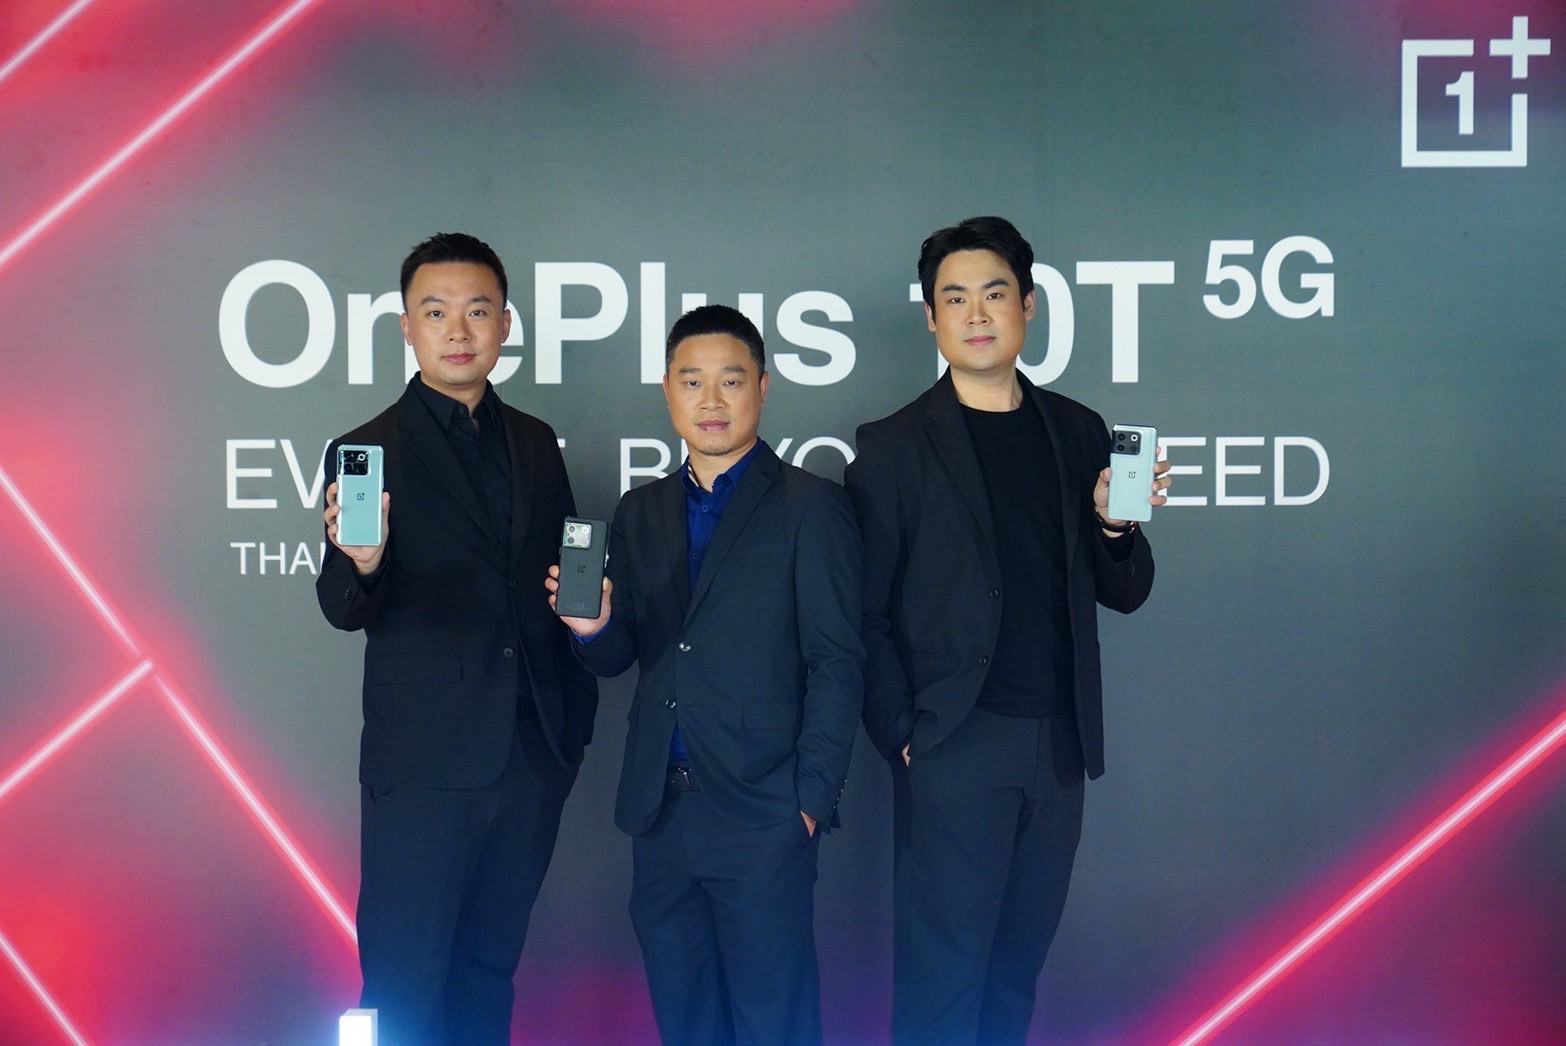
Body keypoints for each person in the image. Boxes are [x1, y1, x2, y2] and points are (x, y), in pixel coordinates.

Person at [843, 216, 1170, 1044]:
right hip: (955, 741)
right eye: (955, 299)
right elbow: (863, 613)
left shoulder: (1079, 431)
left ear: (1028, 305)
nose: (977, 313)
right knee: (943, 981)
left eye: (994, 294)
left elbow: (1125, 591)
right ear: (931, 318)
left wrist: (1116, 526)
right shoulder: (892, 448)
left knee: (1015, 973)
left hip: (1057, 745)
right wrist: (903, 733)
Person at [547, 304, 863, 1045]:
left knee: (774, 1023)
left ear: (763, 387)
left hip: (764, 812)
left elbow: (837, 662)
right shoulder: (641, 510)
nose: (711, 400)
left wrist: (809, 802)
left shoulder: (811, 507)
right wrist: (592, 628)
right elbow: (623, 654)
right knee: (686, 1021)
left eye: (731, 380)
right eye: (692, 381)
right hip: (660, 812)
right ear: (668, 391)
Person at [316, 232, 597, 1045]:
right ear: (407, 326)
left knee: (486, 973)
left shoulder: (535, 442)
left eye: (477, 310)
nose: (458, 330)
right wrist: (363, 562)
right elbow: (340, 605)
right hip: (424, 767)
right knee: (403, 982)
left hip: (530, 755)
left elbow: (562, 583)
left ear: (505, 323)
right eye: (436, 312)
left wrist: (568, 729)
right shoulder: (368, 449)